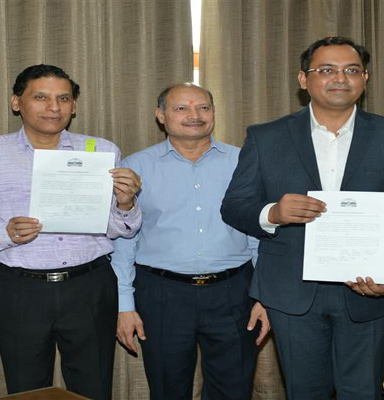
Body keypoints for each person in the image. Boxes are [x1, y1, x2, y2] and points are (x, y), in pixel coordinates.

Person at [221, 36, 384, 399]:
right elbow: (235, 205)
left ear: (365, 78)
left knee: (363, 392)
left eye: (352, 70)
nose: (340, 78)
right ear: (304, 79)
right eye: (327, 70)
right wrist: (273, 213)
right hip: (292, 292)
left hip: (368, 290)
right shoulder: (266, 137)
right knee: (304, 392)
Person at [0, 64, 142, 399]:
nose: (54, 107)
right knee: (27, 388)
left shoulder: (101, 151)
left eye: (63, 98)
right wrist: (5, 233)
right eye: (41, 97)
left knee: (94, 386)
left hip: (90, 285)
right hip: (21, 289)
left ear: (74, 106)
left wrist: (126, 203)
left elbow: (120, 230)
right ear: (16, 102)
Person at [112, 83, 269, 400]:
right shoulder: (135, 166)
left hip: (234, 292)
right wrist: (124, 306)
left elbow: (260, 235)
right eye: (181, 108)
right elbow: (123, 242)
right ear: (160, 115)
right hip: (162, 294)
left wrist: (265, 295)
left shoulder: (244, 162)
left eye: (203, 107)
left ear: (214, 113)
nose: (194, 115)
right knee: (167, 389)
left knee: (234, 390)